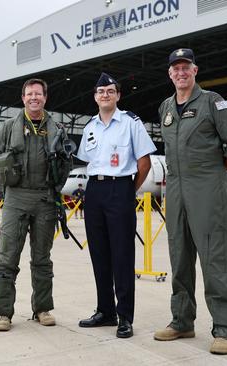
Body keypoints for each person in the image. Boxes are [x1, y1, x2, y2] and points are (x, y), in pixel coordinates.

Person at [154, 48, 227, 355]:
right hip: (176, 190)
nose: (181, 73)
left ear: (195, 71)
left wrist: (214, 170)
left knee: (215, 258)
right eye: (175, 69)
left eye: (186, 67)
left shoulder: (212, 102)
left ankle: (225, 328)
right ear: (170, 74)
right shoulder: (166, 107)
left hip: (208, 188)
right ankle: (182, 320)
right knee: (179, 255)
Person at [76, 72, 156, 338]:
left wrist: (126, 191)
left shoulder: (131, 122)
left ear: (118, 95)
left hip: (120, 187)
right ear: (95, 97)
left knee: (122, 256)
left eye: (110, 91)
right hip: (95, 191)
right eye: (101, 92)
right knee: (99, 254)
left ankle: (125, 317)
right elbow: (87, 159)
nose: (105, 95)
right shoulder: (90, 127)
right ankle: (105, 311)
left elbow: (144, 163)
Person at [0, 78, 71, 331]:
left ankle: (42, 308)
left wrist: (54, 189)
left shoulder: (57, 128)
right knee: (7, 256)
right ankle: (3, 312)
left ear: (45, 98)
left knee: (42, 258)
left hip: (45, 198)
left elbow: (67, 162)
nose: (34, 97)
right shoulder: (9, 127)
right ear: (22, 98)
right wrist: (7, 187)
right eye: (29, 94)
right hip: (16, 197)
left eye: (38, 94)